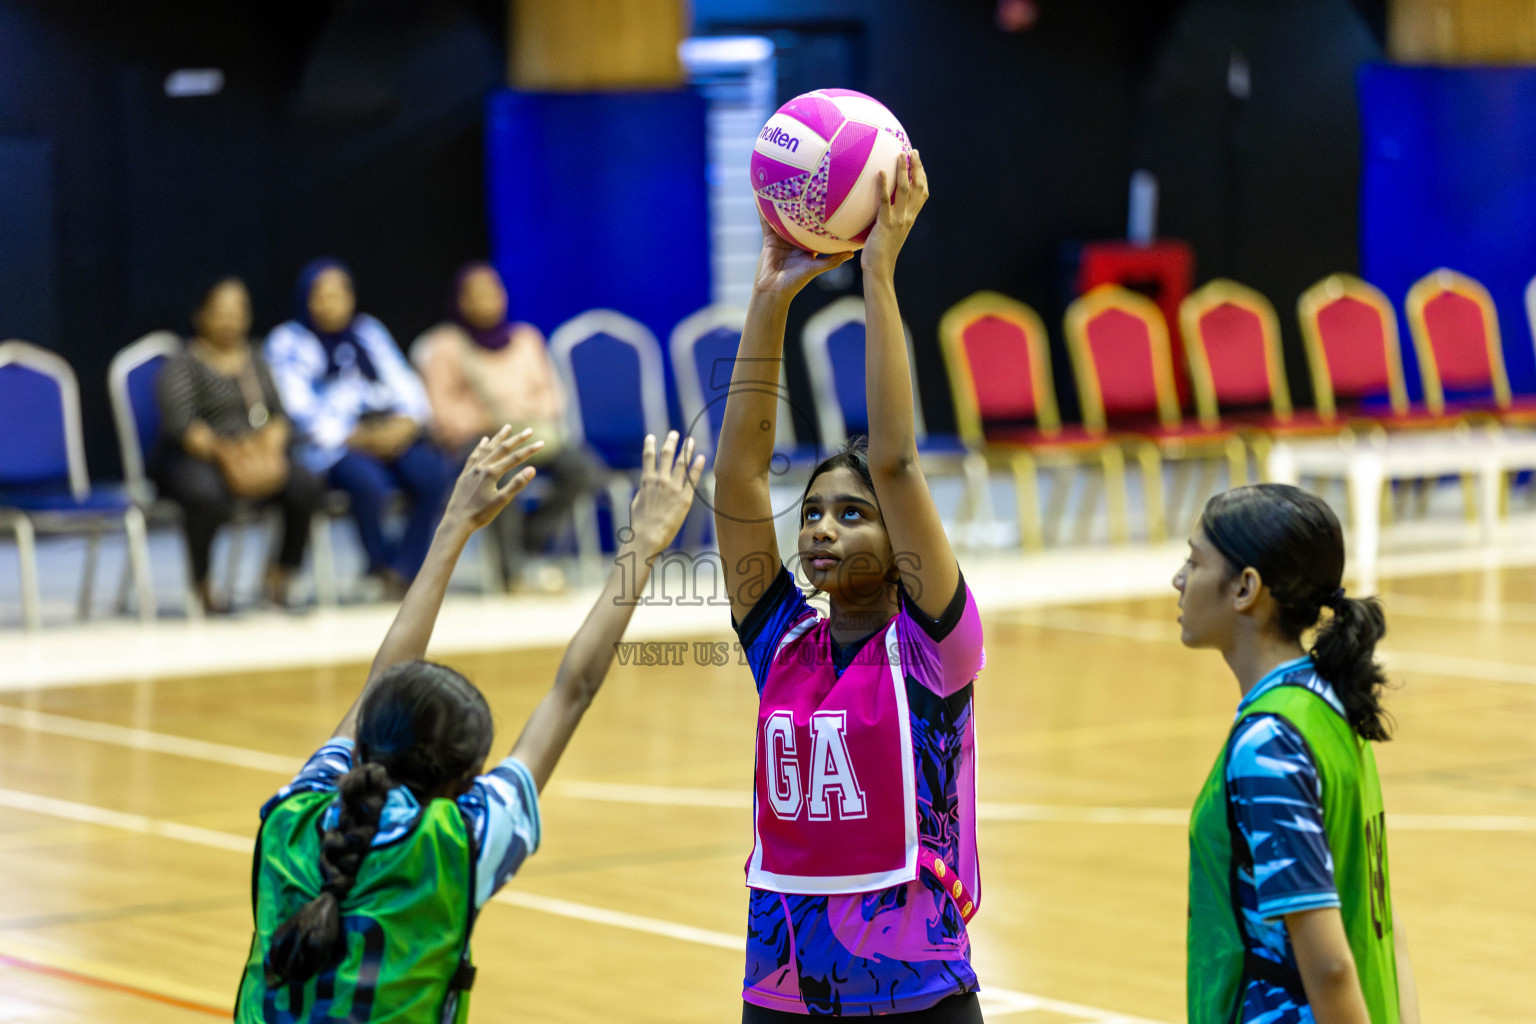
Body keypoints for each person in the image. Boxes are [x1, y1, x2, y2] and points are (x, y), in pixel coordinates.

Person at [234, 425, 705, 1021]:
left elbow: (384, 681)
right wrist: (645, 545)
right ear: (464, 780)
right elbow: (573, 691)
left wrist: (453, 524)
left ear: (364, 742)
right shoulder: (460, 842)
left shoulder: (292, 813)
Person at [714, 152, 987, 1021]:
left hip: (916, 990)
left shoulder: (936, 650)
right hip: (782, 987)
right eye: (814, 513)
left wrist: (878, 275)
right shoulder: (782, 645)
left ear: (901, 540)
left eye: (852, 514)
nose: (822, 529)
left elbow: (897, 463)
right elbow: (738, 481)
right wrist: (770, 296)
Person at [1175, 484, 1421, 1024]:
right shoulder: (1327, 703)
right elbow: (1389, 929)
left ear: (1245, 588)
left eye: (1194, 562)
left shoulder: (1271, 744)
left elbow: (1328, 967)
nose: (1179, 579)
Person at [266, 259, 454, 595]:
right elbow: (297, 407)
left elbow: (404, 382)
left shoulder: (368, 331)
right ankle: (379, 567)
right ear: (306, 298)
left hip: (387, 430)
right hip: (336, 445)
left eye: (339, 295)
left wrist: (407, 423)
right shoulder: (287, 340)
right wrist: (359, 437)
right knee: (369, 484)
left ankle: (404, 568)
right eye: (322, 296)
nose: (331, 304)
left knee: (433, 474)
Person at [414, 261, 600, 591]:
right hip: (481, 441)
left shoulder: (526, 339)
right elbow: (440, 410)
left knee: (585, 470)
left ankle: (527, 538)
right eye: (475, 295)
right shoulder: (445, 346)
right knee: (503, 473)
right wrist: (488, 420)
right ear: (460, 300)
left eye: (492, 293)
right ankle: (510, 571)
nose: (485, 301)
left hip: (529, 433)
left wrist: (523, 413)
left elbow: (552, 396)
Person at [153, 277, 325, 613]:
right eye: (221, 312)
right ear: (201, 315)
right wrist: (227, 452)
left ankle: (281, 574)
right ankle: (202, 583)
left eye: (238, 312)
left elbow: (279, 414)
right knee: (205, 495)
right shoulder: (182, 363)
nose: (230, 320)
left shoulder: (256, 358)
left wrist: (270, 443)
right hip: (198, 457)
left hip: (255, 452)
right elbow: (181, 425)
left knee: (306, 485)